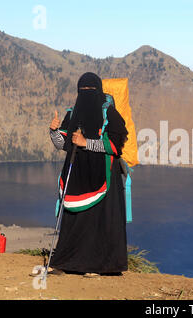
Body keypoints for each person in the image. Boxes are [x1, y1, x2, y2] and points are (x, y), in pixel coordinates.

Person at [48, 72, 129, 276]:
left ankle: (99, 267)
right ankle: (68, 262)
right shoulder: (73, 112)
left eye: (89, 90)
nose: (85, 94)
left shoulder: (108, 112)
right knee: (75, 220)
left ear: (98, 90)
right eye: (82, 90)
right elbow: (63, 145)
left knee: (98, 221)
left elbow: (116, 144)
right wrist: (54, 131)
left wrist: (87, 143)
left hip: (103, 175)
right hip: (77, 174)